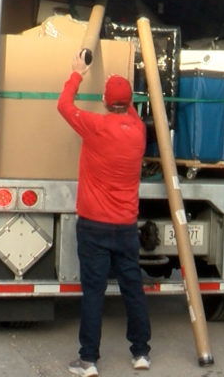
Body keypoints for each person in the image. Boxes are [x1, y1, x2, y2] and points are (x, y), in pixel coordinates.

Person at [57, 50, 151, 377]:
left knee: (94, 293)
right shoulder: (139, 133)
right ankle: (141, 353)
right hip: (126, 227)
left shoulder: (96, 126)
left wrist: (77, 72)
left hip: (94, 226)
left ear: (104, 100)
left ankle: (88, 360)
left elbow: (64, 106)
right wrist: (123, 94)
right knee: (132, 289)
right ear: (129, 104)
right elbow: (131, 113)